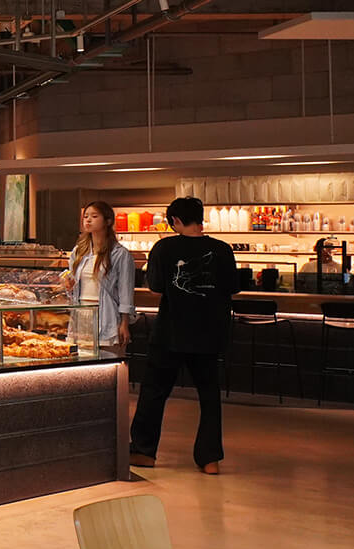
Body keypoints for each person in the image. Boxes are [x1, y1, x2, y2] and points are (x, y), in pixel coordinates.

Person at [129, 197, 239, 475]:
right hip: (209, 333)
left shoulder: (164, 248)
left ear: (175, 221)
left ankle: (143, 451)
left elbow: (155, 287)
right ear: (200, 218)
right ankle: (209, 459)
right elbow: (232, 287)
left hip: (171, 331)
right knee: (209, 396)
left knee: (154, 391)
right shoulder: (222, 249)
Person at [64, 201, 136, 349]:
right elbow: (72, 284)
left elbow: (126, 291)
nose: (88, 220)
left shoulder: (119, 254)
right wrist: (68, 284)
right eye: (86, 217)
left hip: (107, 314)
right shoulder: (79, 251)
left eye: (94, 216)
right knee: (81, 358)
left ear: (108, 221)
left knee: (108, 357)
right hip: (81, 313)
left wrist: (124, 322)